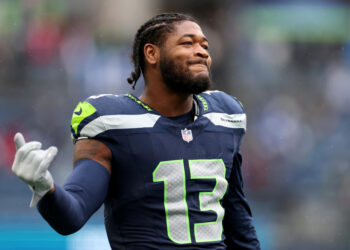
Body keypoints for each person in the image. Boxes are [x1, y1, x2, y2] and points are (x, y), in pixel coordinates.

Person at [12, 13, 261, 249]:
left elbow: (239, 224)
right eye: (187, 43)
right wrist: (45, 188)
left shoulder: (225, 116)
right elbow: (72, 216)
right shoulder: (114, 122)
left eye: (204, 45)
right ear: (151, 53)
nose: (201, 51)